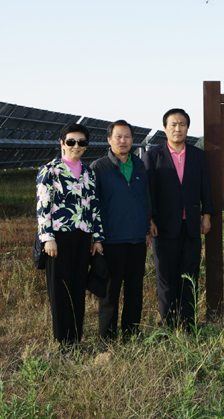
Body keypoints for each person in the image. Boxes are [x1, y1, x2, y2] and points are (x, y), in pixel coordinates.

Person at [143, 108, 213, 329]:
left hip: (191, 226)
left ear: (187, 128)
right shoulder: (153, 156)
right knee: (166, 278)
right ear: (165, 128)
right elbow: (148, 192)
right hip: (163, 228)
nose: (177, 128)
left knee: (189, 275)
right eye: (173, 124)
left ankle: (188, 324)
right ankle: (168, 324)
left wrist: (207, 216)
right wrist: (150, 220)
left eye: (182, 124)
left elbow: (206, 188)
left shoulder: (198, 155)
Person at [36, 123, 103, 345]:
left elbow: (94, 206)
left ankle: (76, 339)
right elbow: (43, 206)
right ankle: (62, 342)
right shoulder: (50, 170)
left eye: (82, 142)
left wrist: (97, 238)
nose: (77, 146)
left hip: (82, 237)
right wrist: (48, 238)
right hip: (59, 237)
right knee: (60, 291)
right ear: (62, 143)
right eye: (71, 141)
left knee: (77, 289)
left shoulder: (88, 172)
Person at [91, 120, 152, 341]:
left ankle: (131, 333)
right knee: (110, 292)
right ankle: (106, 338)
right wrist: (96, 237)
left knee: (135, 290)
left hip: (137, 240)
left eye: (127, 136)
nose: (123, 141)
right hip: (112, 240)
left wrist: (146, 229)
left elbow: (145, 199)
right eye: (118, 136)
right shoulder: (99, 167)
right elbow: (93, 205)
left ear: (132, 140)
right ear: (109, 140)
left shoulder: (139, 165)